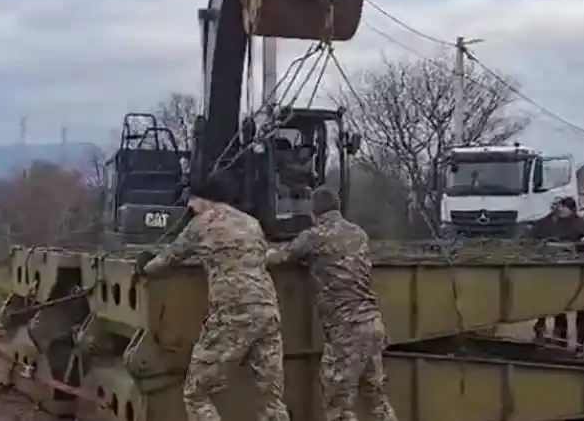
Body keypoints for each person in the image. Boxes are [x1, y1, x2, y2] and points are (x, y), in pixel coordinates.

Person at [136, 174, 290, 421]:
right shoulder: (252, 223)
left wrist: (145, 267)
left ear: (204, 200)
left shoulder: (202, 225)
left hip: (234, 313)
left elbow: (169, 258)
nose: (189, 206)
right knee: (271, 399)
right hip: (268, 311)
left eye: (192, 200)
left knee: (196, 392)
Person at [267, 186, 396, 421]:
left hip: (346, 329)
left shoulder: (315, 236)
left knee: (338, 404)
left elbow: (281, 256)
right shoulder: (359, 233)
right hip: (372, 323)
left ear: (313, 212)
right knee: (376, 399)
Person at [530, 197, 584, 351]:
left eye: (562, 207)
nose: (559, 210)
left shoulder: (580, 224)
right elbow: (535, 235)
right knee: (559, 305)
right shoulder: (548, 222)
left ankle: (580, 341)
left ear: (570, 209)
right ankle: (560, 338)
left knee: (581, 306)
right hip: (556, 270)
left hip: (576, 270)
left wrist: (583, 243)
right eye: (557, 207)